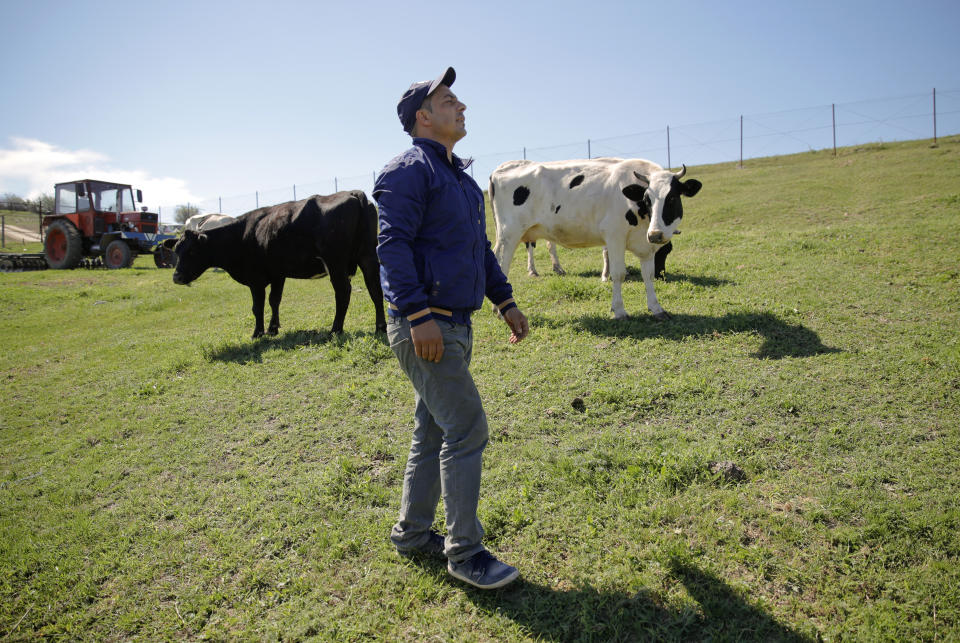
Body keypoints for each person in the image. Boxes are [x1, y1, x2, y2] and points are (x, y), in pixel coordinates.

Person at [373, 67, 530, 590]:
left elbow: (478, 251)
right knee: (467, 427)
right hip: (426, 325)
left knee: (434, 429)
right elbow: (391, 248)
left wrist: (505, 301)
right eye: (449, 101)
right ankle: (465, 554)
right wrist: (416, 315)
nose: (461, 107)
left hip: (456, 324)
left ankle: (413, 534)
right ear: (423, 116)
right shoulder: (406, 171)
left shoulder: (460, 180)